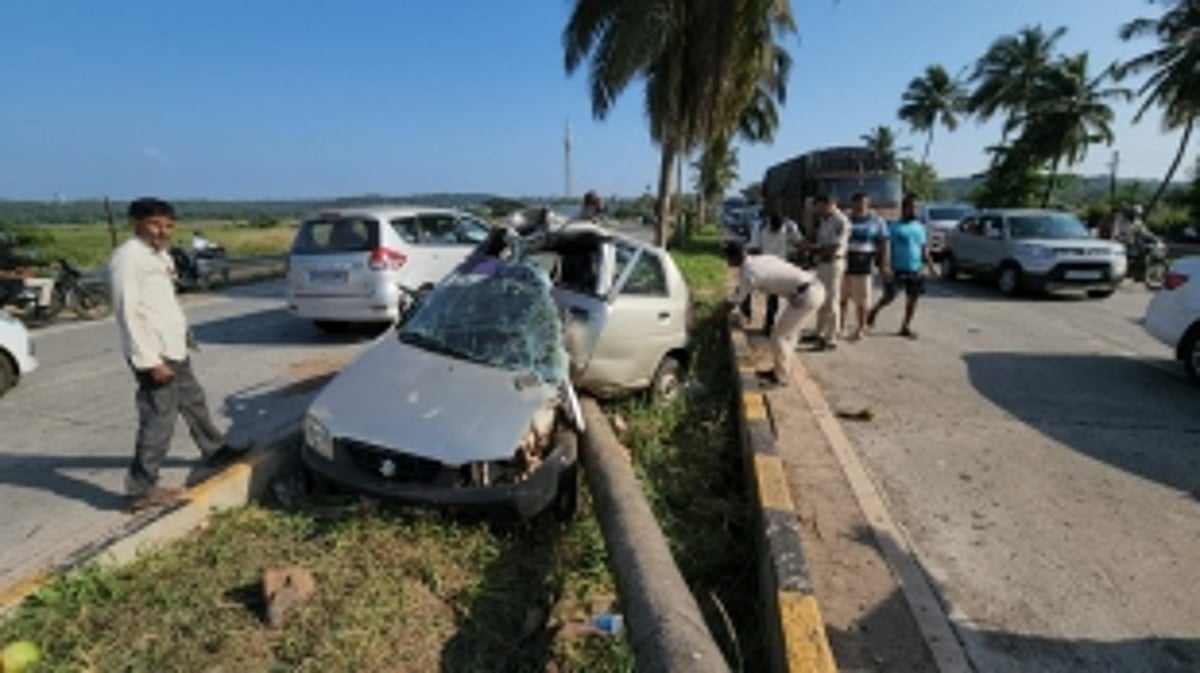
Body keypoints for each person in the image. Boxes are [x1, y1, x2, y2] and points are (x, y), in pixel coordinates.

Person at [110, 197, 248, 510]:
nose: (163, 231)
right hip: (155, 354)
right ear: (136, 223)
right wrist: (150, 360)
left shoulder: (157, 255)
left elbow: (161, 303)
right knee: (159, 419)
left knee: (193, 401)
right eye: (155, 224)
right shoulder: (129, 257)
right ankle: (140, 488)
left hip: (172, 348)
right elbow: (128, 313)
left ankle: (214, 450)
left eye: (168, 225)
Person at [722, 240, 825, 388]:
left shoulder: (749, 273)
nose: (726, 262)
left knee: (779, 337)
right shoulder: (759, 259)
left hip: (806, 295)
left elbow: (735, 301)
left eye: (727, 258)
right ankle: (781, 371)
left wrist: (712, 319)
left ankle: (781, 377)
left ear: (734, 258)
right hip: (811, 288)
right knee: (789, 336)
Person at [867, 193, 937, 339]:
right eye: (912, 208)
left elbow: (924, 249)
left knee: (913, 300)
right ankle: (874, 311)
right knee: (889, 297)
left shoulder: (920, 228)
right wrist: (883, 266)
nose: (915, 211)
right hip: (896, 269)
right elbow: (884, 247)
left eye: (917, 208)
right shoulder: (893, 227)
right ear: (904, 209)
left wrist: (931, 266)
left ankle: (905, 326)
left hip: (915, 269)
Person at [841, 193, 891, 340]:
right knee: (842, 298)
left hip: (864, 262)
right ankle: (840, 326)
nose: (860, 206)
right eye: (857, 203)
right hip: (844, 261)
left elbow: (884, 242)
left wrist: (884, 263)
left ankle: (861, 328)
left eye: (863, 203)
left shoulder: (877, 220)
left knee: (862, 300)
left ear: (868, 204)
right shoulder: (845, 219)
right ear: (852, 204)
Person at [744, 213, 803, 336]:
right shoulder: (759, 227)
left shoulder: (790, 227)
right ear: (768, 224)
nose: (774, 230)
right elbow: (754, 248)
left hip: (781, 267)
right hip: (764, 265)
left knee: (780, 297)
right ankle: (751, 316)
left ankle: (776, 326)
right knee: (751, 290)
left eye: (777, 228)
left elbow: (798, 242)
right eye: (772, 228)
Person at [804, 195, 849, 350]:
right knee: (821, 299)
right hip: (822, 263)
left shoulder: (840, 221)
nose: (817, 211)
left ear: (829, 204)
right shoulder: (825, 220)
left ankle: (831, 338)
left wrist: (812, 249)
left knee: (831, 301)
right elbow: (822, 242)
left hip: (833, 263)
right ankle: (819, 332)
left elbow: (834, 247)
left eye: (819, 207)